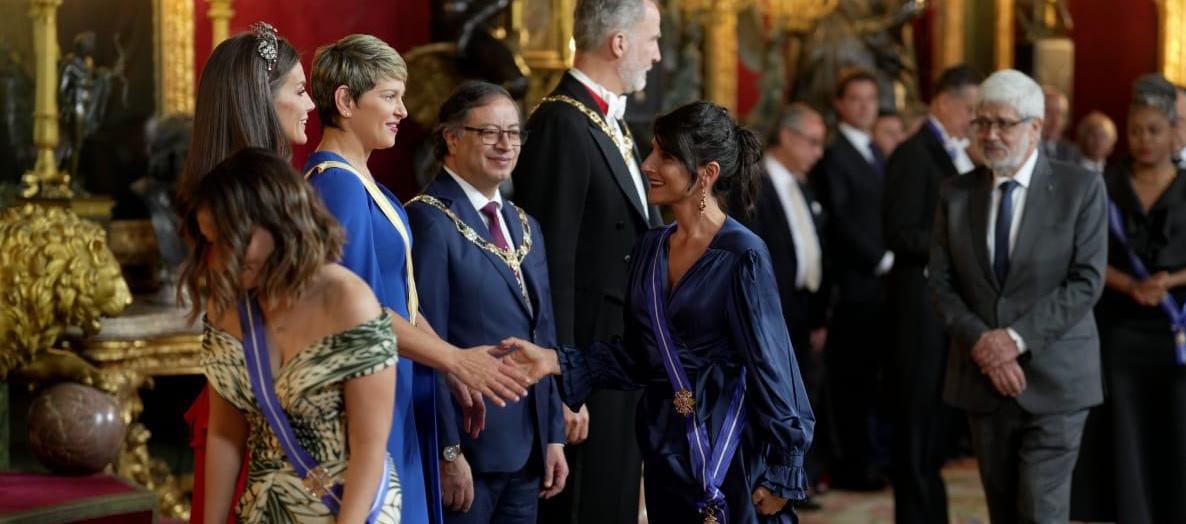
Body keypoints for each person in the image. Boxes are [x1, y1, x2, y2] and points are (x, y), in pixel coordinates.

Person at [504, 101, 814, 523]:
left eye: (665, 156)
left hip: (731, 452)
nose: (648, 164)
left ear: (706, 174)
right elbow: (638, 357)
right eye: (652, 150)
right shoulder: (649, 248)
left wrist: (784, 471)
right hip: (665, 449)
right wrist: (553, 360)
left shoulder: (742, 254)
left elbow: (773, 367)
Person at [303, 34, 530, 524]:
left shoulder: (363, 182)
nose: (403, 111)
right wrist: (454, 358)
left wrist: (449, 365)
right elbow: (357, 315)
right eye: (389, 96)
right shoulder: (336, 185)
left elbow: (401, 299)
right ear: (345, 101)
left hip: (398, 383)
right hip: (367, 397)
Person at [180, 148, 401, 523]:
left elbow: (370, 447)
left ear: (278, 221)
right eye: (210, 242)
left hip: (353, 508)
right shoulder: (227, 306)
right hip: (265, 510)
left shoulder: (349, 301)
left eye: (231, 240)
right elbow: (224, 434)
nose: (219, 260)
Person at [928, 69, 1107, 524]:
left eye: (1003, 124)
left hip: (1057, 379)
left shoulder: (1080, 188)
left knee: (1041, 512)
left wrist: (1013, 340)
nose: (990, 134)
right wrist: (984, 345)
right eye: (982, 122)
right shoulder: (956, 193)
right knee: (1004, 512)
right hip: (981, 379)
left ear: (1035, 127)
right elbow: (942, 284)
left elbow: (1086, 280)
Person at [510, 0, 662, 521]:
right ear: (619, 43)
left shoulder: (611, 123)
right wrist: (563, 386)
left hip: (619, 355)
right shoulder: (561, 122)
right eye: (652, 40)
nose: (656, 55)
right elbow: (551, 265)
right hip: (586, 362)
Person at [405, 81, 568, 523]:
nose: (505, 145)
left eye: (514, 133)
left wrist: (553, 434)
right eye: (490, 132)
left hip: (529, 450)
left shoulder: (524, 223)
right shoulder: (429, 220)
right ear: (452, 137)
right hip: (470, 453)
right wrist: (447, 449)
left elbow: (544, 331)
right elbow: (426, 346)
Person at [176, 22, 316, 524]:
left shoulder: (244, 196)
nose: (311, 104)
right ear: (261, 100)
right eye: (299, 91)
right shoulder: (248, 210)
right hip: (256, 425)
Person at [1070, 73, 1186, 524]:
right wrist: (1132, 286)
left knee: (1173, 433)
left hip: (1176, 335)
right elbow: (1086, 258)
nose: (1144, 140)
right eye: (1135, 130)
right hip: (1118, 331)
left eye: (1154, 130)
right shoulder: (1103, 187)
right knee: (1124, 433)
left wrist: (1169, 282)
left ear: (1174, 131)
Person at [881, 64, 981, 524]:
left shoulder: (958, 154)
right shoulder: (912, 154)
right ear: (943, 101)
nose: (975, 118)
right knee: (916, 426)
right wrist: (961, 244)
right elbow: (899, 233)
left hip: (943, 308)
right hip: (916, 310)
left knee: (935, 429)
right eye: (970, 107)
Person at [738, 102, 828, 501]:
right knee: (772, 401)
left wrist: (819, 314)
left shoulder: (801, 185)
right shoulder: (754, 184)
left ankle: (794, 481)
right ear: (788, 137)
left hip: (802, 310)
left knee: (799, 399)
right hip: (770, 312)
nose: (818, 153)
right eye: (812, 142)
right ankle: (770, 485)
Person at [809, 67, 891, 491]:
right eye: (855, 99)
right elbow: (839, 220)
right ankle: (852, 466)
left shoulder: (875, 151)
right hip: (853, 284)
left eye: (870, 99)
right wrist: (880, 258)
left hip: (878, 289)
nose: (864, 107)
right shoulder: (835, 155)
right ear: (840, 105)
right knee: (851, 379)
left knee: (872, 378)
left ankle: (870, 459)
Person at [1041, 85, 1081, 163]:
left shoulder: (1072, 152)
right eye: (1048, 112)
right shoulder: (1025, 148)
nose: (1056, 121)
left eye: (1061, 114)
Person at [1075, 111, 1117, 175]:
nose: (1098, 140)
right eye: (1093, 134)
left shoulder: (1116, 174)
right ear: (1082, 137)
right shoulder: (1071, 169)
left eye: (1103, 136)